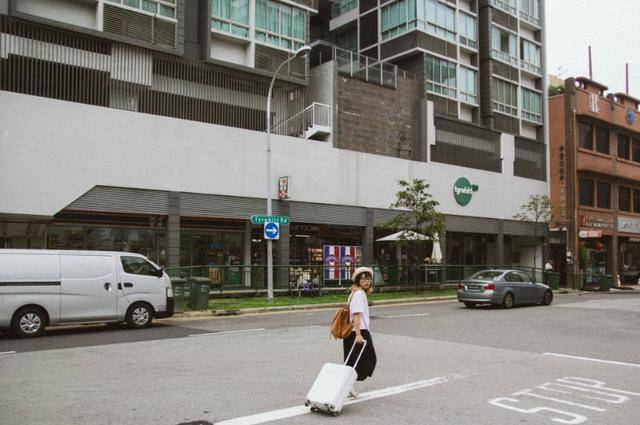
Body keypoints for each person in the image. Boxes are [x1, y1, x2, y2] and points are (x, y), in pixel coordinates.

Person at [344, 266, 377, 400]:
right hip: (358, 331)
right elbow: (356, 315)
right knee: (368, 359)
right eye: (363, 279)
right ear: (358, 280)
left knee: (353, 361)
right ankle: (347, 385)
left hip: (355, 332)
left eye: (368, 279)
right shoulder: (358, 294)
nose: (367, 281)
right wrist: (358, 334)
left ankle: (347, 385)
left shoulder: (357, 292)